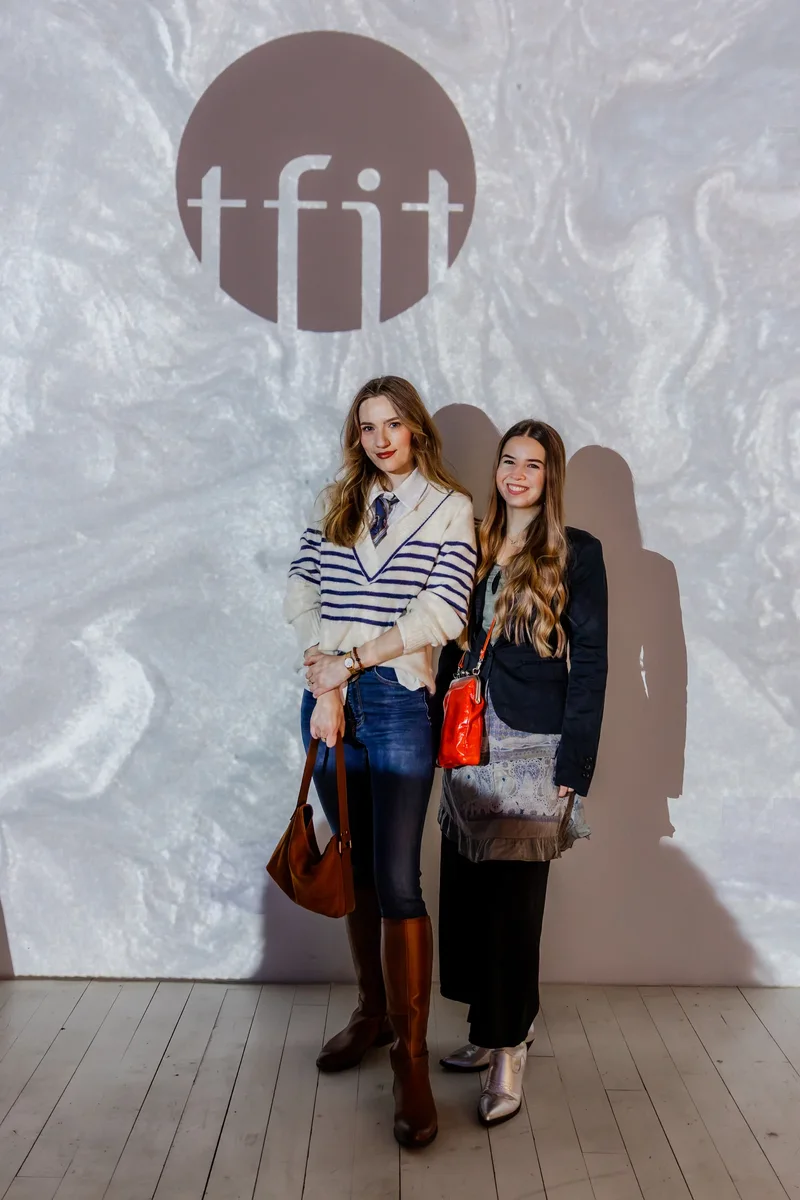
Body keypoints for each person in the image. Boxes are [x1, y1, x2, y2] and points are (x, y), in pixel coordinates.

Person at [283, 376, 476, 1148]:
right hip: (328, 702)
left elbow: (445, 612)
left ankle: (411, 1059)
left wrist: (352, 662)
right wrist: (324, 678)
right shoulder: (337, 501)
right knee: (356, 862)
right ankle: (371, 1014)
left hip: (396, 701)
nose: (381, 439)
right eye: (368, 427)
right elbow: (302, 588)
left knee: (398, 879)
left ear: (416, 429)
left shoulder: (450, 508)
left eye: (393, 424)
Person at [433, 419, 608, 1126]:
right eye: (509, 461)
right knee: (467, 893)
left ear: (550, 476)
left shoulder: (577, 551)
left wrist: (576, 760)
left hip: (535, 745)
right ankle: (486, 1030)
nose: (516, 474)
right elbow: (449, 640)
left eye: (532, 465)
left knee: (513, 906)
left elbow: (591, 660)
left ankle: (511, 1047)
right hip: (469, 737)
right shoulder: (471, 540)